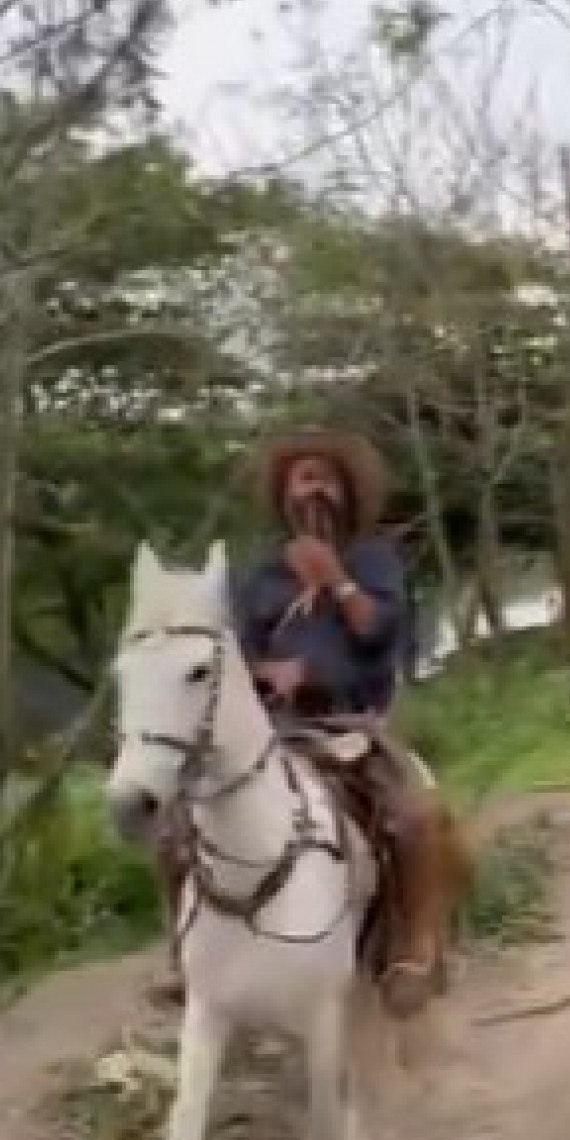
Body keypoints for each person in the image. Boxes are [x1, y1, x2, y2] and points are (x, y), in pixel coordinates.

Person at [154, 427, 448, 1018]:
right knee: (174, 830)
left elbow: (377, 631)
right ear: (284, 494)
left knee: (413, 816)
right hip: (272, 731)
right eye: (302, 478)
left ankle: (415, 951)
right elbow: (231, 654)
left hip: (352, 723)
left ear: (347, 492)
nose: (315, 490)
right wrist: (267, 672)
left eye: (327, 479)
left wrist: (335, 579)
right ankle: (182, 957)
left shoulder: (372, 558)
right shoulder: (260, 574)